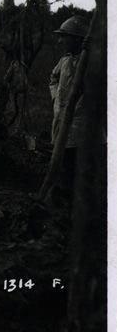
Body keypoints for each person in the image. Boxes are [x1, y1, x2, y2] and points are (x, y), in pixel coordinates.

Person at [48, 15, 104, 199]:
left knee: (79, 160)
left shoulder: (91, 61)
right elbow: (53, 78)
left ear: (77, 40)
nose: (60, 41)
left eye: (64, 37)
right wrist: (55, 98)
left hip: (82, 123)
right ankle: (62, 192)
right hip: (62, 119)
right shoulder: (64, 61)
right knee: (62, 156)